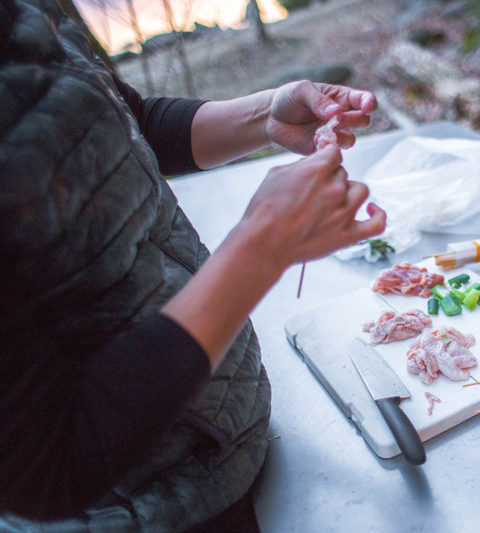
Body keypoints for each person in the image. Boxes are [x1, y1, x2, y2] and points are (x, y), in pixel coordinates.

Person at [0, 0, 385, 531]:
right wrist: (264, 245)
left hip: (221, 435)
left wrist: (263, 116)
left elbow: (117, 123)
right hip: (141, 511)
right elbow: (47, 467)